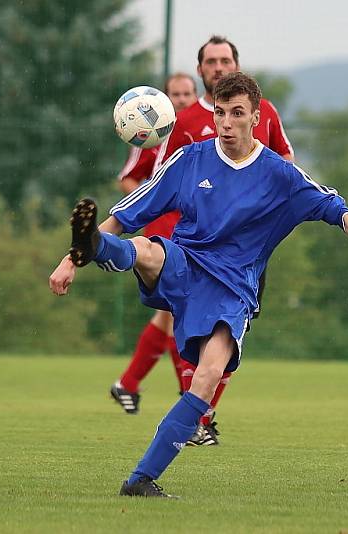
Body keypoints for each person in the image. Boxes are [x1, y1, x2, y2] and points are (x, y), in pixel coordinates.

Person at [49, 72, 348, 498]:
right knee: (149, 249)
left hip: (232, 290)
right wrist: (72, 256)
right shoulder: (190, 160)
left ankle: (141, 480)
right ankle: (97, 249)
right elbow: (128, 211)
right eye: (221, 113)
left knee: (206, 381)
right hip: (185, 263)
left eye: (237, 114)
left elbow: (342, 209)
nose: (226, 123)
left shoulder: (280, 175)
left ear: (255, 117)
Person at [146, 35, 295, 445]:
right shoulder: (187, 122)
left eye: (225, 60)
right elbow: (162, 179)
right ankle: (193, 410)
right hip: (195, 249)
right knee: (186, 321)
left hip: (245, 252)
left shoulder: (265, 114)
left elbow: (285, 160)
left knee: (231, 331)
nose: (218, 67)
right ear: (200, 71)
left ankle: (198, 410)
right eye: (210, 61)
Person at [109, 72, 198, 416]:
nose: (181, 99)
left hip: (192, 232)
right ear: (164, 99)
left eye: (187, 93)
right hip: (164, 233)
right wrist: (155, 200)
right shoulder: (155, 135)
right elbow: (128, 178)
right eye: (174, 93)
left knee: (169, 316)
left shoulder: (202, 135)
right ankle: (191, 402)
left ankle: (128, 384)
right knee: (175, 312)